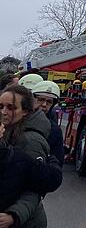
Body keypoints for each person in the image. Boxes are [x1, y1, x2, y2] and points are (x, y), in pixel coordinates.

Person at [0, 85, 52, 228]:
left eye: (11, 108)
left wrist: (14, 215)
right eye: (1, 106)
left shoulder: (31, 141)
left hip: (25, 222)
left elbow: (36, 187)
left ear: (25, 111)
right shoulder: (6, 130)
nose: (3, 112)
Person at [0, 122, 62, 216]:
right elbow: (52, 178)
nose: (4, 112)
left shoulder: (23, 150)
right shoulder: (15, 157)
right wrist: (51, 158)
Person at [31, 81, 64, 166]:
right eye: (41, 100)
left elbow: (57, 162)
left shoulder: (55, 130)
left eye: (49, 102)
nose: (44, 104)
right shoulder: (19, 121)